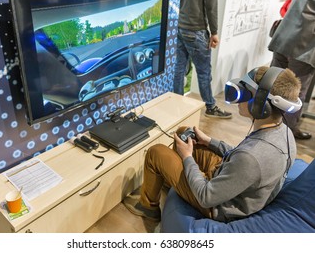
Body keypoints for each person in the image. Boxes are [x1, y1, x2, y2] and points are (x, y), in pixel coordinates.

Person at [123, 66, 301, 223]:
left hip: (217, 206)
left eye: (246, 91)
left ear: (261, 105)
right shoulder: (284, 133)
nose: (239, 94)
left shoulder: (252, 158)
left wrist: (186, 158)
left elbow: (206, 197)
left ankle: (148, 207)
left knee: (156, 153)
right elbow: (239, 156)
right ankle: (172, 181)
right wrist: (209, 141)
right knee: (184, 132)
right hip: (230, 180)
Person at [173, 0, 232, 119]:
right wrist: (214, 31)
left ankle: (176, 103)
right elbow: (212, 1)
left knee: (179, 69)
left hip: (180, 26)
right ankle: (210, 107)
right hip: (195, 28)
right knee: (204, 72)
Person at [268, 0, 315, 140]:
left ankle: (267, 128)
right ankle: (284, 136)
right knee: (295, 92)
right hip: (304, 47)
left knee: (276, 86)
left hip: (284, 40)